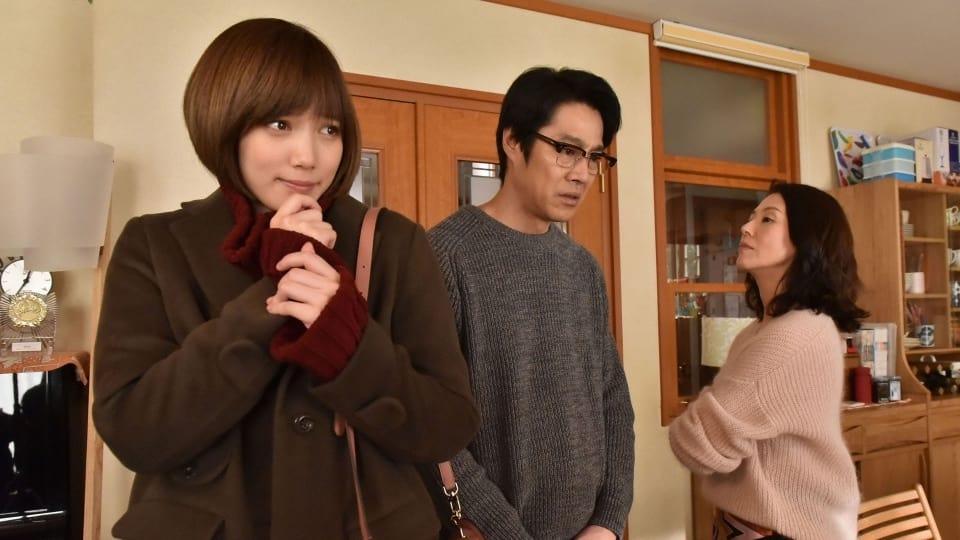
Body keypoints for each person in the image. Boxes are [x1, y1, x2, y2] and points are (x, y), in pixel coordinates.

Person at [92, 18, 479, 540]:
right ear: (225, 121)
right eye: (279, 124)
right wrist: (271, 298)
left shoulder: (392, 242)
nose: (308, 156)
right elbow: (134, 433)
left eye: (329, 129)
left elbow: (447, 426)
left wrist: (347, 341)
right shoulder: (156, 244)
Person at [428, 67, 635, 540]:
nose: (581, 173)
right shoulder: (445, 256)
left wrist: (608, 521)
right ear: (513, 142)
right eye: (566, 149)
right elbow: (433, 428)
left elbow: (612, 401)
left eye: (594, 157)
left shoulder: (582, 267)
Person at [669, 182, 868, 540]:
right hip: (752, 525)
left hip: (786, 531)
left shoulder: (795, 335)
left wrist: (713, 416)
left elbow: (696, 444)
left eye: (768, 219)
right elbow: (718, 437)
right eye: (751, 217)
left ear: (807, 241)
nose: (746, 227)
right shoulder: (760, 332)